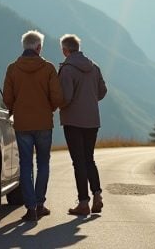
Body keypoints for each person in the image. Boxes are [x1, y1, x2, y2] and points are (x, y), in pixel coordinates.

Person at [3, 30, 63, 221]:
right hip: (44, 123)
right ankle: (40, 204)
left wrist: (15, 109)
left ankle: (30, 209)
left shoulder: (12, 68)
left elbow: (7, 98)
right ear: (39, 47)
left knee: (25, 165)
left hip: (22, 124)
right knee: (43, 163)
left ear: (24, 46)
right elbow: (57, 97)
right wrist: (48, 109)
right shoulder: (48, 68)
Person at [58, 34, 108, 215]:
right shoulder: (94, 68)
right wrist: (90, 99)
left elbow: (66, 97)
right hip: (92, 120)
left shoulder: (67, 69)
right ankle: (97, 194)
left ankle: (83, 202)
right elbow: (102, 91)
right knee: (89, 159)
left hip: (73, 121)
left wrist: (58, 104)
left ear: (65, 50)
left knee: (78, 162)